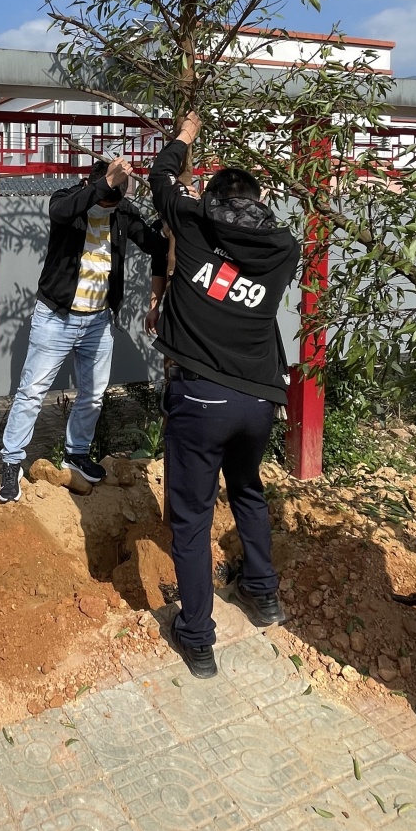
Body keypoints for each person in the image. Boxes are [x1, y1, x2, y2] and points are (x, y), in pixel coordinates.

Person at [149, 111, 300, 678]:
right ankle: (262, 594)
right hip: (260, 401)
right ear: (259, 202)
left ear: (207, 199)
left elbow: (160, 177)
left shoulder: (189, 225)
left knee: (190, 518)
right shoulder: (283, 249)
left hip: (202, 399)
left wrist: (185, 137)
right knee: (247, 490)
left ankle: (198, 636)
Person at [0, 156, 168, 504]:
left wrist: (177, 215)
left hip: (98, 320)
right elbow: (61, 211)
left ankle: (76, 454)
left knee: (92, 393)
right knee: (32, 392)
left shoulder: (122, 212)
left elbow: (156, 246)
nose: (110, 206)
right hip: (56, 316)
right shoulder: (68, 201)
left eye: (115, 199)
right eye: (105, 197)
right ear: (95, 186)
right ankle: (11, 463)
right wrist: (105, 183)